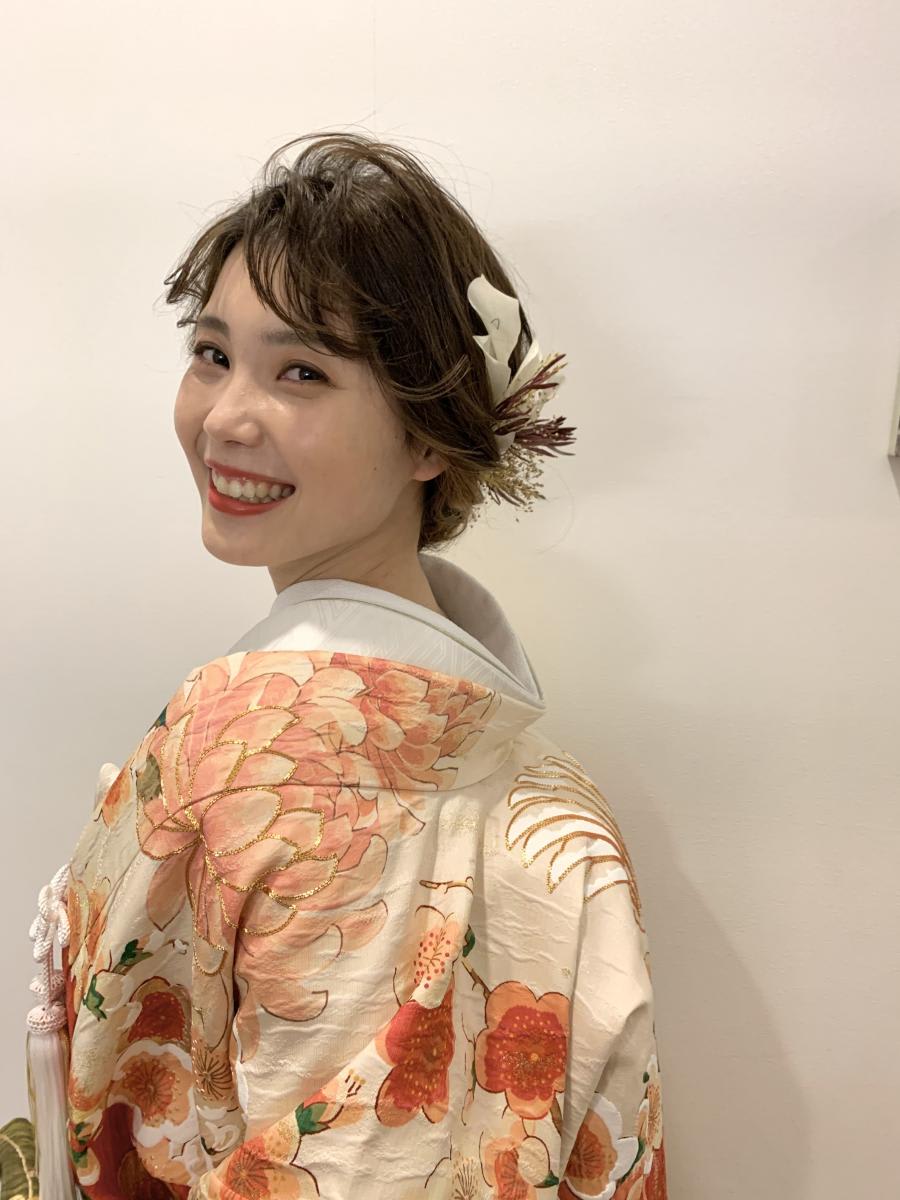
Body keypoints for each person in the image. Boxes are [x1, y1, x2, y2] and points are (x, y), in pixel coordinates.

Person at [18, 131, 667, 1199]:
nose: (225, 417)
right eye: (212, 353)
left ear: (430, 437)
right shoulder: (555, 792)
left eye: (301, 373)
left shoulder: (245, 747)